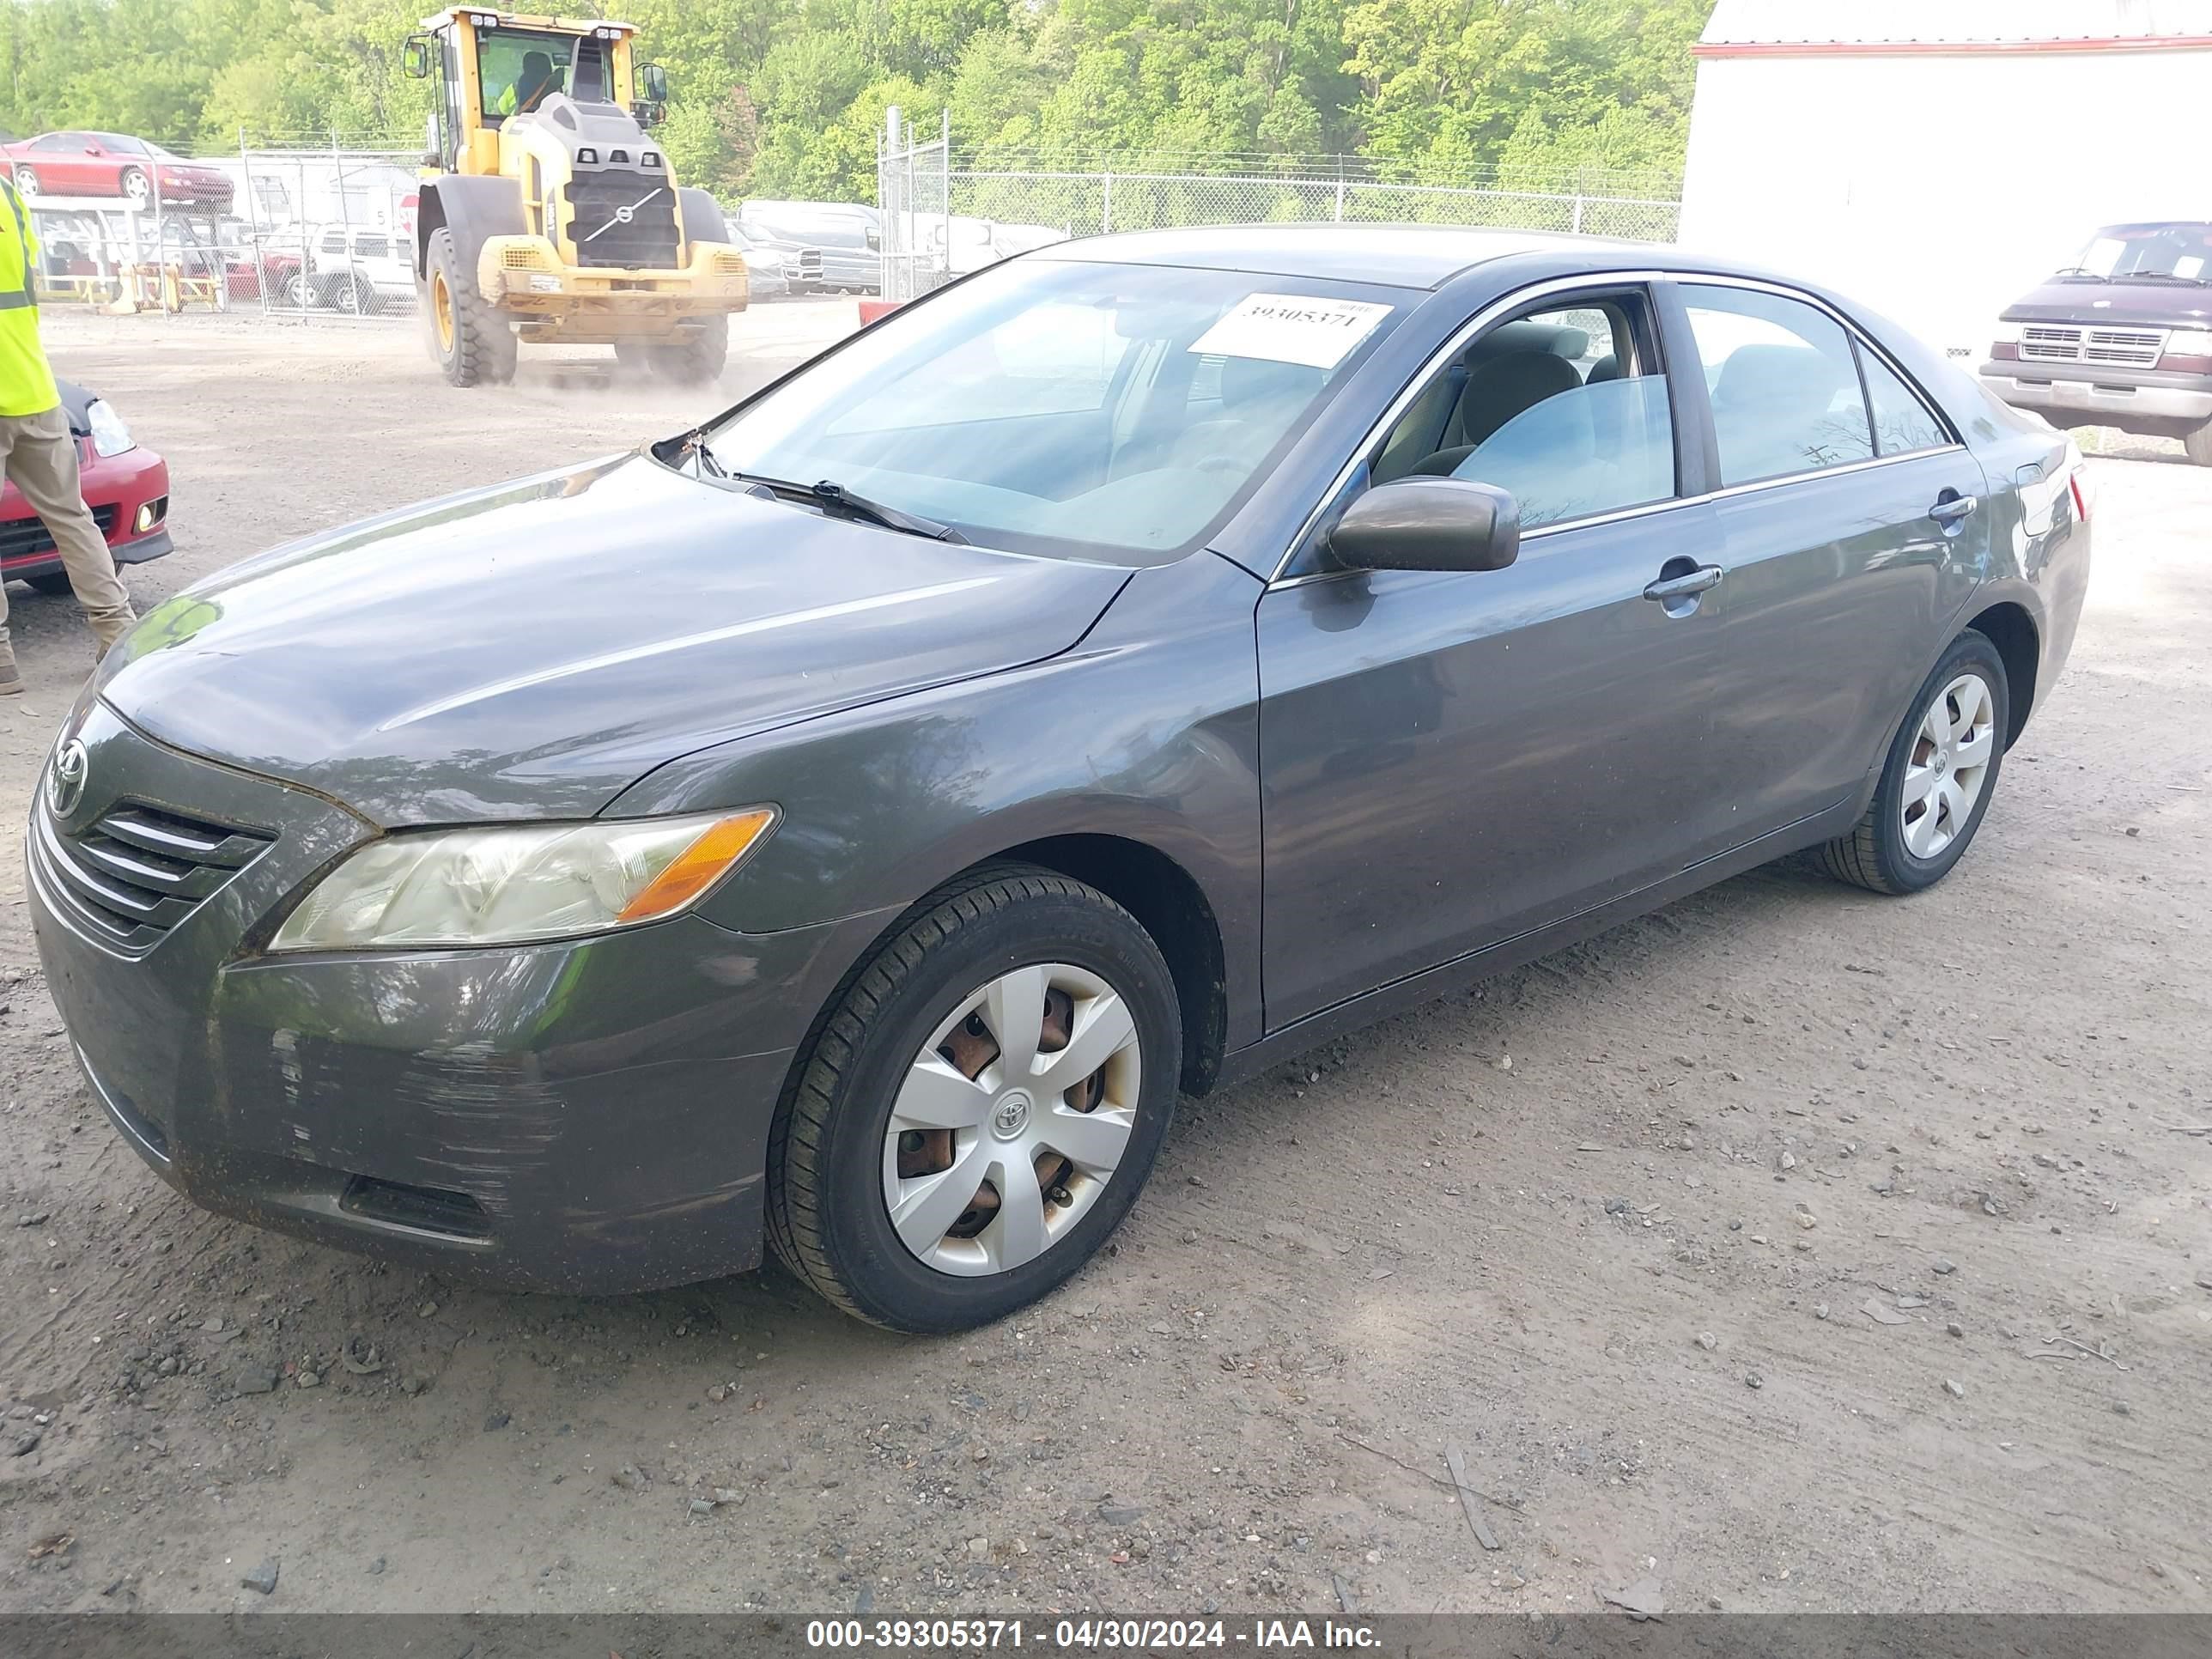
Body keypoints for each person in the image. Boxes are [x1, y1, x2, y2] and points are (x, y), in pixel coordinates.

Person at [0, 175, 137, 696]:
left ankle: (2, 661)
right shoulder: (8, 193)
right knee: (72, 518)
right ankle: (116, 631)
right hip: (34, 386)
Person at [496, 51, 560, 118]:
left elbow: (503, 110)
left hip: (519, 124)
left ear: (525, 67)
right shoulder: (553, 86)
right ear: (548, 68)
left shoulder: (515, 86)